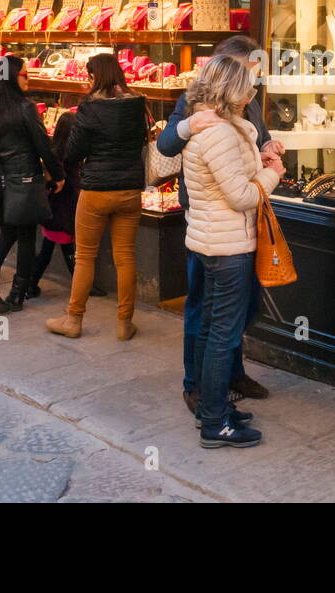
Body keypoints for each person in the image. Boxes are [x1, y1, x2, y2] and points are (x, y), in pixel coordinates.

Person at [157, 35, 284, 412]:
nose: (253, 83)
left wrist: (267, 146)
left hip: (243, 224)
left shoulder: (249, 100)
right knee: (204, 310)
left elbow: (254, 138)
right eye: (248, 73)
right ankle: (197, 387)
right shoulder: (192, 103)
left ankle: (230, 373)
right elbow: (166, 145)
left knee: (242, 309)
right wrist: (190, 125)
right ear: (225, 69)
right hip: (211, 222)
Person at [46, 53, 148, 341]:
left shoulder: (90, 107)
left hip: (96, 189)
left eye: (90, 75)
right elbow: (141, 140)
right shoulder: (137, 103)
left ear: (96, 76)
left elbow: (74, 152)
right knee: (126, 257)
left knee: (85, 257)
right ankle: (124, 323)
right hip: (129, 189)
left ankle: (73, 319)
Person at [0, 55, 64, 314]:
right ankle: (17, 292)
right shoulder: (25, 108)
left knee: (6, 232)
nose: (28, 78)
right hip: (22, 179)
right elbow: (43, 146)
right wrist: (57, 174)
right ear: (13, 78)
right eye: (25, 74)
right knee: (26, 236)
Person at [25, 110, 106, 301]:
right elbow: (66, 185)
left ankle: (30, 285)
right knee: (66, 249)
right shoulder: (67, 159)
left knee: (50, 249)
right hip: (62, 214)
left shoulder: (56, 156)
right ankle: (84, 287)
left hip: (54, 213)